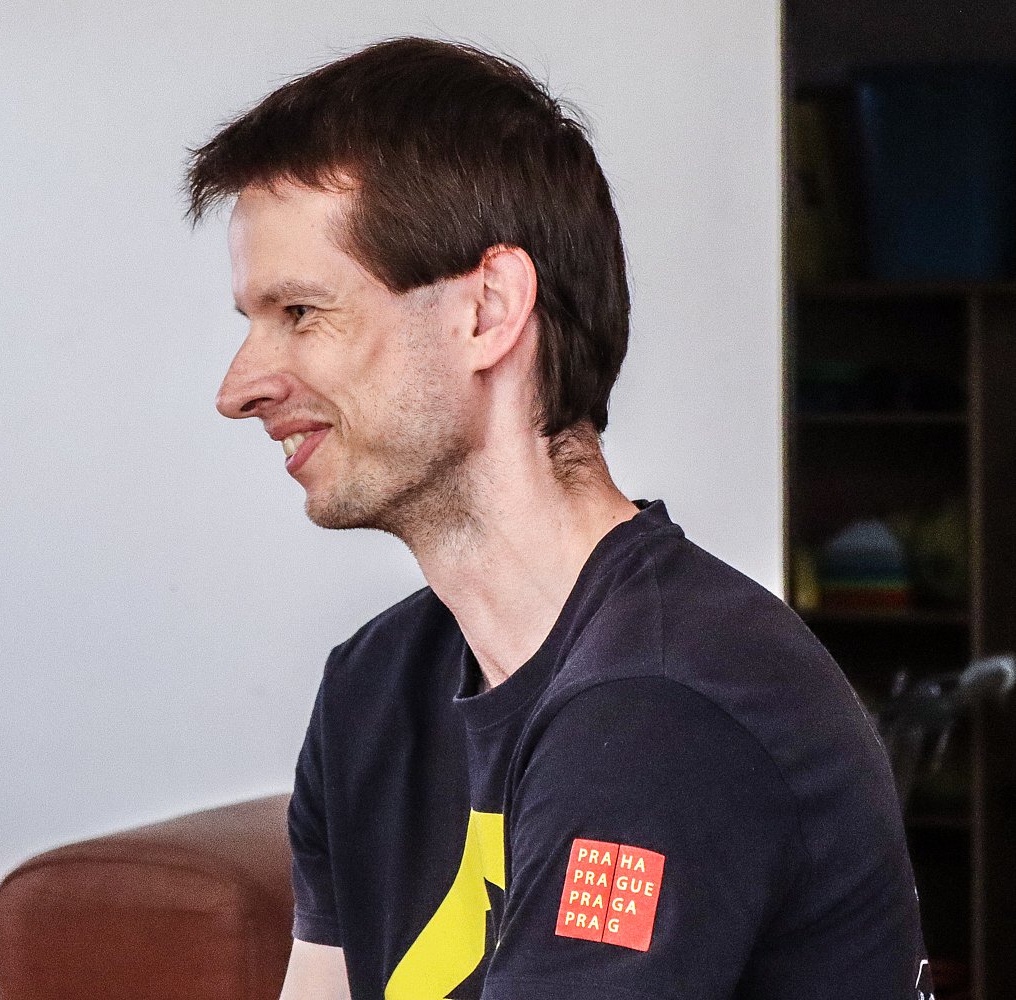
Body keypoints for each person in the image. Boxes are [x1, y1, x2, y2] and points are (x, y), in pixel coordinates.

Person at [187, 37, 929, 1000]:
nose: (239, 387)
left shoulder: (664, 708)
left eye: (299, 311)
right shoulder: (374, 690)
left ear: (489, 310)